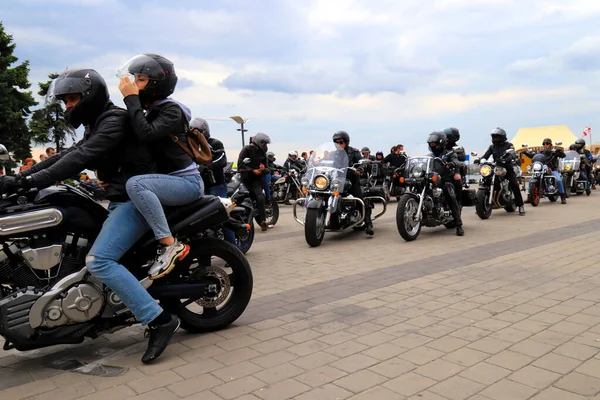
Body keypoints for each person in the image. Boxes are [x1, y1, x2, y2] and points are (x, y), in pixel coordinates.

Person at [8, 68, 177, 364]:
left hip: (134, 201)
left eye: (72, 99)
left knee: (99, 260)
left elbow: (79, 159)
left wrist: (28, 181)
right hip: (119, 197)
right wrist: (19, 179)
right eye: (65, 101)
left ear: (90, 96)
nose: (68, 106)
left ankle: (159, 320)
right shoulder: (96, 123)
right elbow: (67, 154)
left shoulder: (115, 120)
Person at [118, 53, 206, 280]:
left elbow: (145, 134)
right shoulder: (152, 111)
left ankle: (170, 245)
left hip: (186, 182)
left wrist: (131, 100)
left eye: (140, 79)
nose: (134, 84)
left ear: (157, 81)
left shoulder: (171, 111)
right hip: (167, 181)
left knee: (136, 185)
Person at [189, 117, 236, 245]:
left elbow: (222, 160)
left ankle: (234, 249)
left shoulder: (215, 143)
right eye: (193, 131)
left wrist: (206, 166)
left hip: (217, 185)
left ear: (204, 131)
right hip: (201, 186)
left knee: (222, 215)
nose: (195, 134)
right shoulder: (191, 145)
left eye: (198, 131)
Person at [332, 131, 374, 235]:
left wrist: (360, 168)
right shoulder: (334, 154)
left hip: (351, 179)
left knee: (359, 198)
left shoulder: (354, 152)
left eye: (341, 142)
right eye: (336, 143)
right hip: (337, 180)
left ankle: (368, 223)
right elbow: (326, 162)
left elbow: (362, 163)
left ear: (346, 142)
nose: (339, 145)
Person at [481, 127, 525, 215]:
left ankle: (520, 206)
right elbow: (486, 155)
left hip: (507, 168)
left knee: (514, 185)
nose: (494, 139)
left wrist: (508, 158)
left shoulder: (509, 145)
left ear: (502, 137)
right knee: (485, 180)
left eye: (496, 137)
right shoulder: (492, 147)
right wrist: (481, 159)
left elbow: (512, 153)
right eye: (493, 137)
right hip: (496, 168)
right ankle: (481, 206)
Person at [427, 131, 464, 236]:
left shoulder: (449, 153)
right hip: (432, 180)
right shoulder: (430, 156)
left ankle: (459, 225)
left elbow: (456, 162)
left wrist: (452, 163)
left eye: (434, 143)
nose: (432, 145)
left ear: (441, 142)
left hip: (445, 180)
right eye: (431, 144)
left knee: (449, 192)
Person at [237, 133, 271, 231]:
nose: (266, 146)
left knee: (260, 198)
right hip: (245, 179)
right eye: (265, 144)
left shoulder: (263, 154)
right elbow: (240, 165)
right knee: (242, 200)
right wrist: (252, 171)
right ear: (260, 142)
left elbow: (268, 169)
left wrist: (263, 169)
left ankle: (263, 222)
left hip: (256, 180)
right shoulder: (246, 149)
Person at [522, 138, 567, 204]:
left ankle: (563, 197)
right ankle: (530, 197)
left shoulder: (554, 152)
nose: (545, 145)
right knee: (531, 180)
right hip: (541, 170)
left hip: (552, 170)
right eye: (544, 144)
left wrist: (560, 151)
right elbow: (533, 156)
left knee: (559, 180)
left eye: (547, 144)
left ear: (550, 145)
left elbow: (563, 156)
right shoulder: (540, 152)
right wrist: (526, 153)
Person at [442, 127, 466, 205]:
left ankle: (459, 202)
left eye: (447, 136)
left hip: (454, 168)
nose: (445, 138)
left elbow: (462, 157)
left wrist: (453, 157)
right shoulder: (441, 147)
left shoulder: (458, 148)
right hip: (442, 168)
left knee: (457, 177)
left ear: (454, 137)